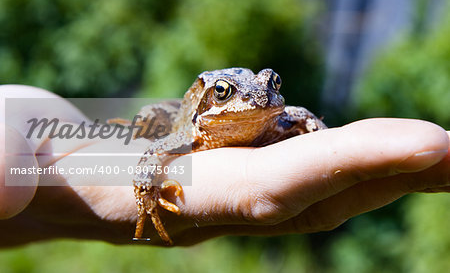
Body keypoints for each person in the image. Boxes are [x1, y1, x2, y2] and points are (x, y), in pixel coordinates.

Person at [1, 85, 449, 247]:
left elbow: (307, 120)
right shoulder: (191, 132)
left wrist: (320, 137)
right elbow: (148, 157)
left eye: (270, 87)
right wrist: (148, 200)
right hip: (182, 113)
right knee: (149, 120)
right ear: (212, 99)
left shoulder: (277, 116)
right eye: (227, 95)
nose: (257, 99)